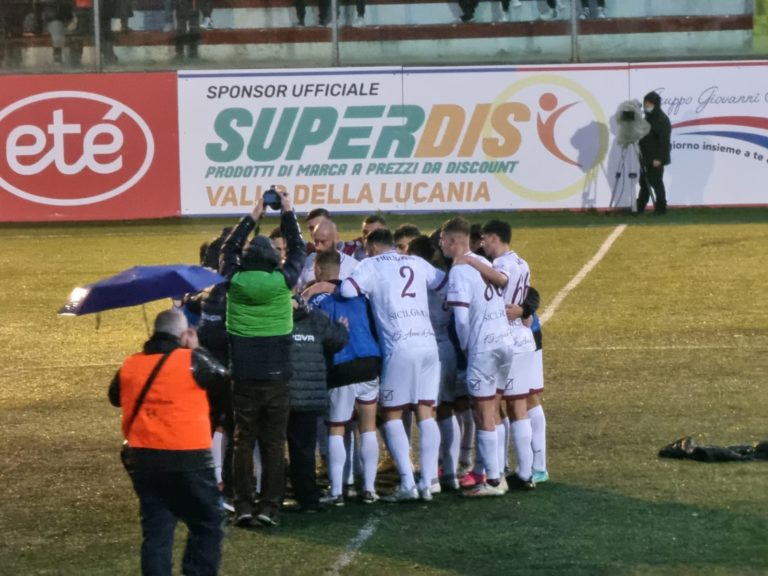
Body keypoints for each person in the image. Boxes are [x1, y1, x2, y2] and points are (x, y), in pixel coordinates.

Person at [108, 309, 229, 576]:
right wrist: (197, 349)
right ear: (182, 334)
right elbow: (222, 378)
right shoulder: (192, 361)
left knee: (157, 530)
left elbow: (115, 396)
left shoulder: (130, 364)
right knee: (207, 521)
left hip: (144, 458)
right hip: (188, 456)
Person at [219, 190, 306, 528]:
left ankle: (242, 504)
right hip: (277, 377)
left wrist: (253, 215)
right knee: (273, 443)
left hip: (243, 376)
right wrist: (288, 212)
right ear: (273, 261)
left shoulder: (234, 281)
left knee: (243, 442)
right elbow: (299, 249)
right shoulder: (283, 282)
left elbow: (227, 249)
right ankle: (269, 506)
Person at [340, 228, 446, 502]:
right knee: (426, 411)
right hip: (428, 344)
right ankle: (429, 481)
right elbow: (441, 281)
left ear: (373, 247)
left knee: (391, 414)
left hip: (399, 346)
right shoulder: (414, 261)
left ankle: (409, 482)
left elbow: (347, 290)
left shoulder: (370, 264)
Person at [454, 219, 539, 490]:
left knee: (498, 407)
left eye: (484, 240)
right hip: (523, 339)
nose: (483, 246)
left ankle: (497, 470)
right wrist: (527, 310)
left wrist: (468, 260)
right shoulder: (522, 262)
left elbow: (496, 287)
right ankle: (525, 472)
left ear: (493, 238)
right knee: (518, 407)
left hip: (503, 335)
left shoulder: (497, 266)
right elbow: (529, 294)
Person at [440, 217, 513, 497]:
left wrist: (468, 349)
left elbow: (460, 320)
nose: (440, 245)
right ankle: (497, 472)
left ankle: (493, 481)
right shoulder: (484, 263)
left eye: (442, 240)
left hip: (483, 346)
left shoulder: (459, 270)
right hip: (504, 342)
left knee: (483, 413)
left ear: (452, 240)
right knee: (493, 409)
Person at [308, 250, 382, 505]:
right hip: (369, 362)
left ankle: (337, 491)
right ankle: (370, 490)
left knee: (337, 429)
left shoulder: (317, 301)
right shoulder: (359, 296)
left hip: (342, 365)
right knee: (368, 427)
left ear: (317, 269)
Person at [286, 295, 348, 512]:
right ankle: (308, 498)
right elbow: (338, 340)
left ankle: (271, 497)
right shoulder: (316, 319)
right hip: (309, 397)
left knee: (272, 448)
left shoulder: (274, 320)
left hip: (281, 395)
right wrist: (342, 327)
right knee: (303, 449)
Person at [296, 218, 358, 293]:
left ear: (336, 238)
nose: (318, 247)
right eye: (316, 241)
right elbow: (297, 292)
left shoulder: (354, 267)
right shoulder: (306, 262)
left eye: (323, 241)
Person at [638, 91, 671, 215]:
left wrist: (659, 158)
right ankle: (640, 205)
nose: (646, 106)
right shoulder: (648, 117)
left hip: (656, 157)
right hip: (646, 156)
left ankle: (661, 207)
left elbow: (664, 142)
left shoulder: (661, 119)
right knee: (644, 182)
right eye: (645, 104)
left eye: (649, 104)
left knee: (656, 182)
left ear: (655, 104)